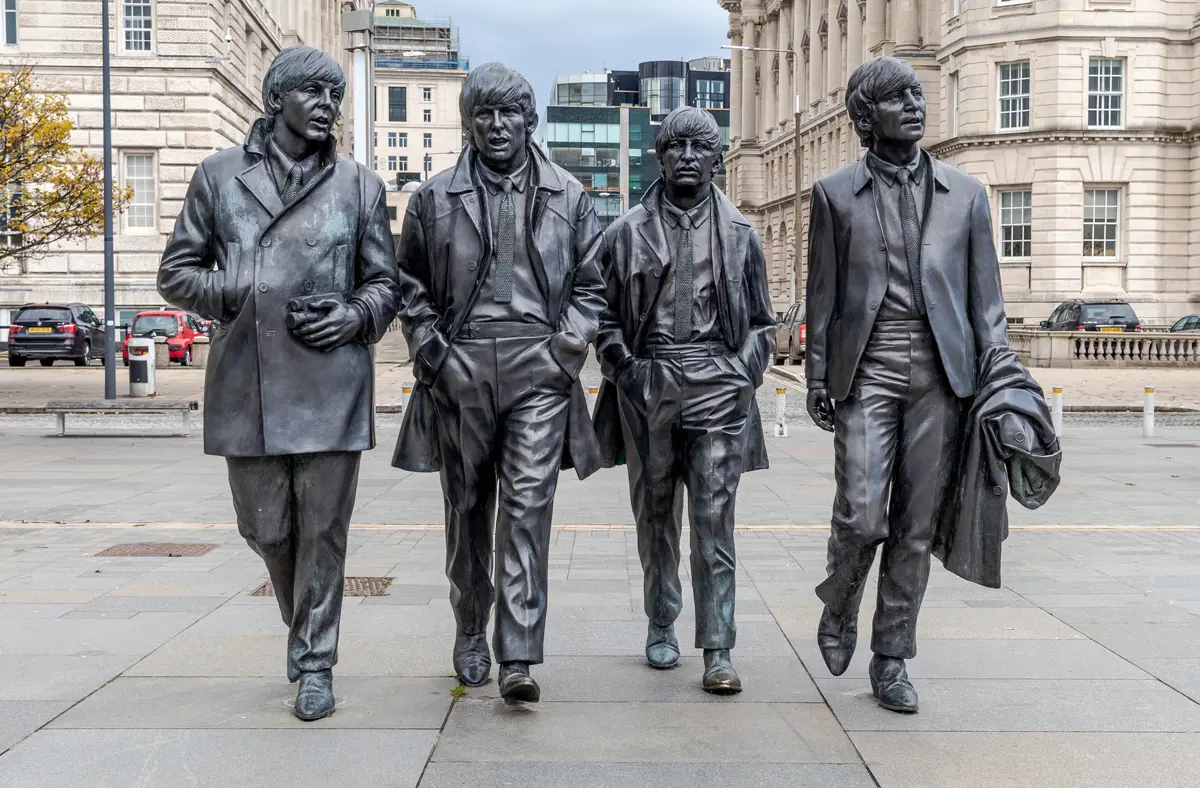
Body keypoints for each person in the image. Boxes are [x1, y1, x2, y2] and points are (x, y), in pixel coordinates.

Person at [157, 45, 399, 721]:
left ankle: (316, 662)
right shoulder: (218, 176)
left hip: (332, 380)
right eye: (314, 93)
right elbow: (176, 272)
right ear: (276, 101)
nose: (327, 106)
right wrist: (234, 287)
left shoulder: (359, 184)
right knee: (265, 528)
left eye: (335, 96)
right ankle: (305, 629)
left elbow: (387, 283)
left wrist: (356, 313)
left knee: (324, 531)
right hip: (248, 382)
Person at [391, 62, 605, 703]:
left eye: (509, 113)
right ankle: (468, 627)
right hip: (460, 368)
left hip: (538, 368)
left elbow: (592, 287)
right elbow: (410, 289)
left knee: (527, 508)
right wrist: (435, 355)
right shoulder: (432, 199)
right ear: (468, 123)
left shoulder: (570, 196)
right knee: (467, 507)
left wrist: (563, 351)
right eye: (482, 113)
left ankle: (519, 653)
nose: (496, 125)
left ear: (530, 119)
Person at [803, 56, 1010, 713]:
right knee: (863, 515)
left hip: (941, 377)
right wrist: (814, 377)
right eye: (897, 99)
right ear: (866, 118)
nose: (915, 106)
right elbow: (824, 296)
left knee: (915, 525)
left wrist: (997, 375)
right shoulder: (834, 194)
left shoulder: (967, 194)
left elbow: (988, 305)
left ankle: (891, 657)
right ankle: (840, 597)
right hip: (866, 370)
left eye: (916, 95)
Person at [590, 106, 775, 694]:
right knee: (656, 517)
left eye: (699, 148)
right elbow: (601, 314)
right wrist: (628, 370)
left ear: (717, 159)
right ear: (660, 157)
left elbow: (764, 325)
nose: (687, 157)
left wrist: (740, 372)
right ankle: (661, 620)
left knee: (714, 522)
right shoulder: (623, 233)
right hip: (652, 383)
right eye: (675, 147)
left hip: (718, 383)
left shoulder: (742, 234)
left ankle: (718, 645)